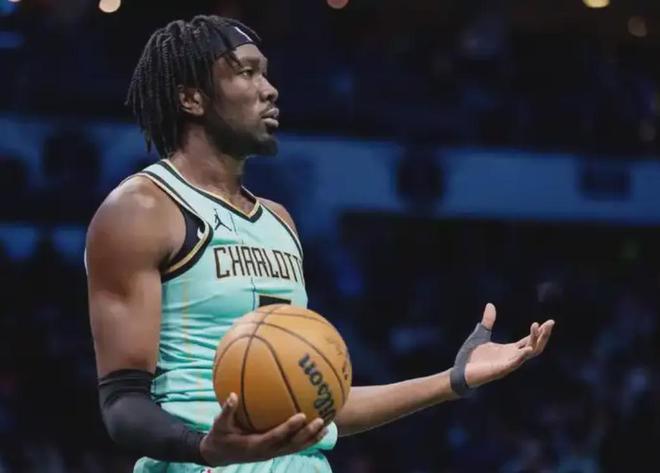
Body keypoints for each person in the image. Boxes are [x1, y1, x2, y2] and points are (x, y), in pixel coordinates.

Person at [85, 15, 555, 473]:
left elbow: (315, 404)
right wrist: (206, 448)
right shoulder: (142, 210)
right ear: (191, 98)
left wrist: (453, 380)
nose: (270, 89)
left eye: (265, 73)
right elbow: (122, 403)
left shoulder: (278, 222)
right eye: (246, 73)